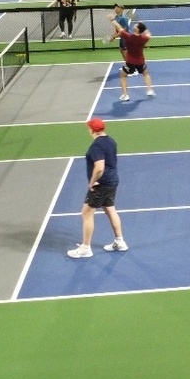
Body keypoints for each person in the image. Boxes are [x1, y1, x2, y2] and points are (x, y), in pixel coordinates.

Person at [67, 118, 128, 258]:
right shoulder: (110, 141)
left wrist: (92, 182)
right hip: (112, 181)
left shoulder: (97, 146)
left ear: (92, 130)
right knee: (110, 209)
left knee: (86, 213)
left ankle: (85, 248)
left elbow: (99, 167)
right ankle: (120, 241)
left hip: (101, 184)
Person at [113, 20, 155, 101]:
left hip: (130, 62)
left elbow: (119, 28)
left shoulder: (128, 36)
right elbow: (149, 35)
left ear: (137, 29)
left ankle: (125, 95)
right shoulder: (144, 38)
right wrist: (144, 27)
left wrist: (112, 20)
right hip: (140, 61)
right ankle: (149, 90)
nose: (134, 26)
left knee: (123, 75)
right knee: (146, 73)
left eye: (136, 25)